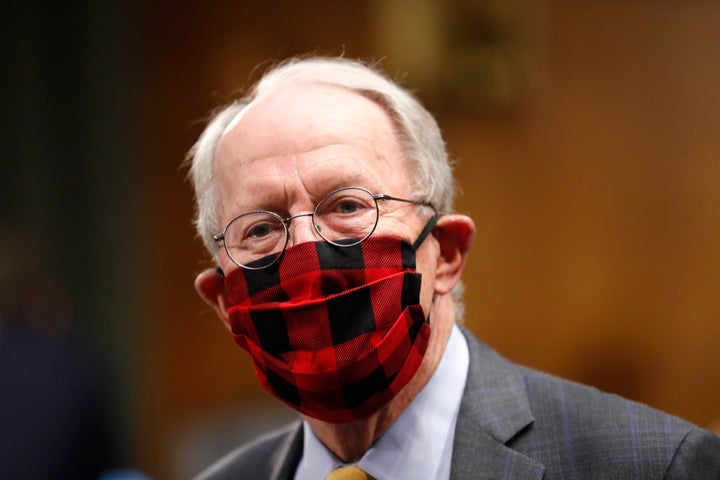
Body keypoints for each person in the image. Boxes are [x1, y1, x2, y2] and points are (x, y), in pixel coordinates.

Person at [186, 56, 720, 479]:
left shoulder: (652, 466)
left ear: (446, 254)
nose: (307, 252)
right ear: (226, 303)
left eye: (347, 206)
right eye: (260, 229)